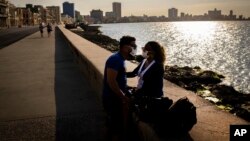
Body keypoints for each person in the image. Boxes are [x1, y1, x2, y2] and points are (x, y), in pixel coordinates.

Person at [102, 36, 136, 141]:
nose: (135, 48)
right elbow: (111, 81)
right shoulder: (116, 59)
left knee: (112, 126)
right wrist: (123, 97)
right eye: (133, 45)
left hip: (114, 97)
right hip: (113, 98)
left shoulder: (120, 58)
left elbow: (118, 78)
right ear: (125, 47)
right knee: (116, 128)